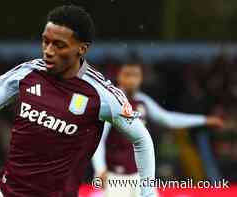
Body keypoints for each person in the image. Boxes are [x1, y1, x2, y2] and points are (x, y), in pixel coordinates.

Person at [0, 6, 156, 197]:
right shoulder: (27, 73)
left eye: (59, 45)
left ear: (82, 48)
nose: (48, 51)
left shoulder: (102, 94)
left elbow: (142, 139)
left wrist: (146, 193)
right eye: (45, 42)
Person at [92, 61, 225, 197]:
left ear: (140, 79)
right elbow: (99, 138)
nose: (132, 80)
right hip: (115, 177)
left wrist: (203, 120)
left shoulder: (142, 101)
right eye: (127, 75)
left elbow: (168, 119)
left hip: (140, 176)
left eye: (135, 75)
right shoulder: (111, 103)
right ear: (119, 77)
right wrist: (100, 168)